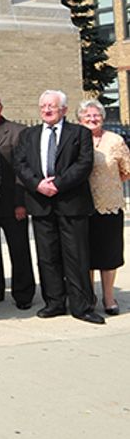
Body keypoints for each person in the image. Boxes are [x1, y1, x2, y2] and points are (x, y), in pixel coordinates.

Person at [16, 90, 100, 323]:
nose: (47, 109)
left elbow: (84, 164)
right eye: (43, 106)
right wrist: (38, 185)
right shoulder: (28, 135)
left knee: (77, 256)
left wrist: (58, 185)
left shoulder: (80, 133)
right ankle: (54, 302)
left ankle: (82, 306)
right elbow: (20, 164)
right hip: (41, 204)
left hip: (72, 204)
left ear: (63, 109)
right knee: (47, 257)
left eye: (52, 106)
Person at [0, 91, 36, 310]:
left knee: (19, 249)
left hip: (12, 203)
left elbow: (23, 170)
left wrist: (21, 202)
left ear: (1, 107)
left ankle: (23, 294)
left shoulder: (18, 132)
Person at [78, 100, 130, 315]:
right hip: (82, 206)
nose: (92, 119)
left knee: (109, 255)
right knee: (86, 254)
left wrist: (108, 184)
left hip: (109, 205)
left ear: (102, 117)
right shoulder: (75, 139)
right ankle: (89, 297)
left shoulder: (115, 140)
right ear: (80, 119)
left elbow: (126, 171)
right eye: (87, 116)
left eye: (96, 115)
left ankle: (109, 297)